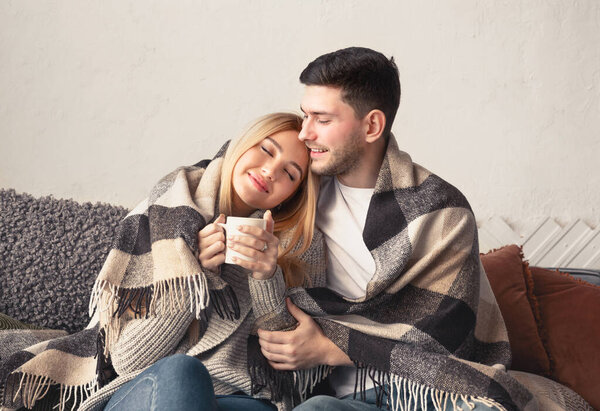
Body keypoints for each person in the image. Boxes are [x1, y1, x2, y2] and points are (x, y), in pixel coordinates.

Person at [256, 47, 537, 410]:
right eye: (304, 115)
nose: (305, 133)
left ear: (372, 125)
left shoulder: (439, 209)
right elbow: (221, 174)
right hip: (340, 398)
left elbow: (445, 337)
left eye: (322, 120)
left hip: (429, 394)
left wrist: (333, 345)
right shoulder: (294, 189)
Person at [0, 112, 322, 411]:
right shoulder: (168, 214)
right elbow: (127, 359)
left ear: (291, 196)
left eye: (290, 174)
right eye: (267, 150)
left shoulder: (298, 248)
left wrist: (267, 277)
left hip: (240, 400)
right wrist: (196, 275)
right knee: (184, 373)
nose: (270, 171)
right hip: (154, 391)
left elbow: (289, 371)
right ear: (244, 142)